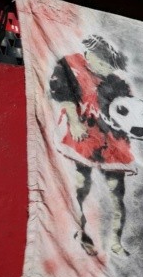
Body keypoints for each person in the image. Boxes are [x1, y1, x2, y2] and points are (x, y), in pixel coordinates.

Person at [50, 35, 134, 256]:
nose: (107, 69)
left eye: (110, 66)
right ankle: (81, 232)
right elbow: (64, 95)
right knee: (80, 186)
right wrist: (75, 123)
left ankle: (115, 241)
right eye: (104, 63)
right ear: (91, 55)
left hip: (111, 142)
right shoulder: (69, 64)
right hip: (84, 135)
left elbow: (132, 113)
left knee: (117, 193)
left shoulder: (118, 83)